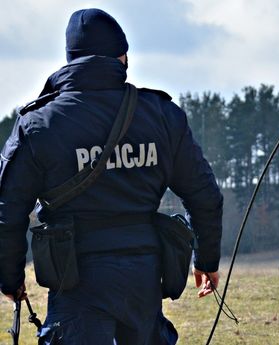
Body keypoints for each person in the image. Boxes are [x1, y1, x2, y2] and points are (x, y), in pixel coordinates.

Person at [0, 8, 223, 344]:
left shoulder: (38, 125)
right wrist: (206, 259)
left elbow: (7, 213)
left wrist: (10, 279)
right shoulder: (161, 115)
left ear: (70, 60)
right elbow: (205, 195)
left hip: (75, 284)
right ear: (123, 57)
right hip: (144, 280)